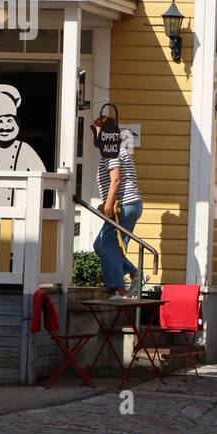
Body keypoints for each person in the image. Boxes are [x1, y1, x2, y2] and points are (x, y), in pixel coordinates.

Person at [90, 118, 143, 299]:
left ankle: (119, 291)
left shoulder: (111, 153)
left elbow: (116, 180)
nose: (95, 135)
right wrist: (106, 203)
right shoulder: (118, 151)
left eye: (96, 130)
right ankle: (133, 273)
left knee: (107, 245)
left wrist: (109, 205)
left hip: (124, 206)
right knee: (100, 245)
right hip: (130, 204)